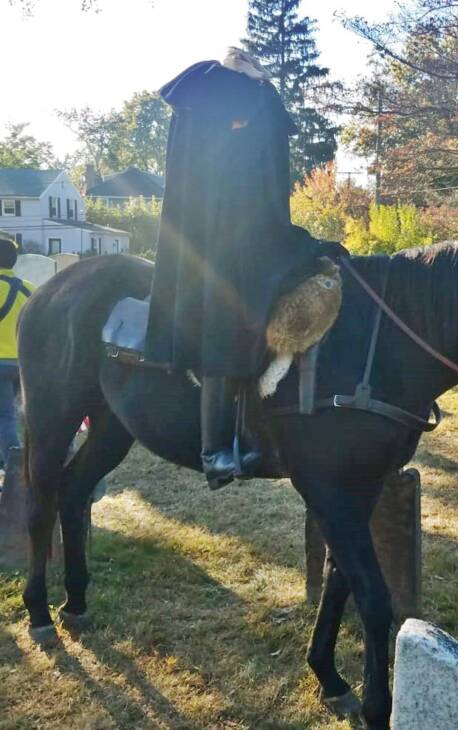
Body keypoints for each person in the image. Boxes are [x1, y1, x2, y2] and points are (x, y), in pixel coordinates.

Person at [146, 51, 343, 490]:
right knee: (224, 326)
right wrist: (244, 80)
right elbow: (214, 173)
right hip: (212, 242)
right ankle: (213, 449)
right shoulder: (207, 89)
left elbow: (265, 178)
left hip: (256, 232)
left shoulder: (257, 98)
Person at [0, 238, 33, 474]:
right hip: (25, 363)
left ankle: (14, 466)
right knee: (26, 417)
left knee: (5, 417)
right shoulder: (29, 288)